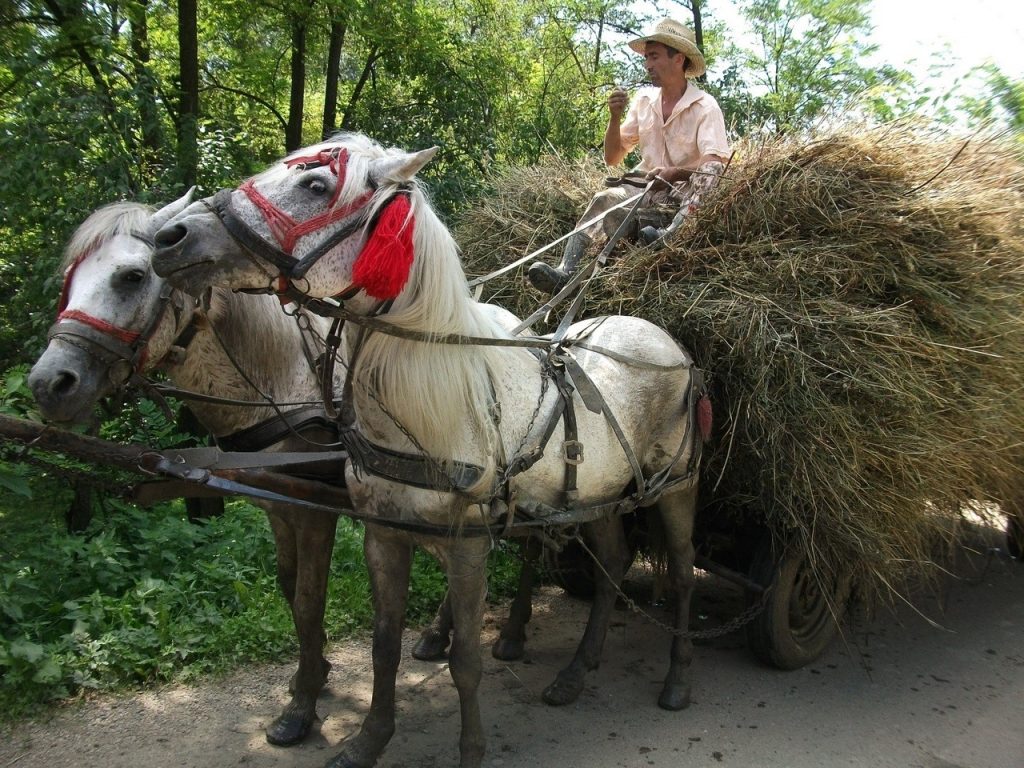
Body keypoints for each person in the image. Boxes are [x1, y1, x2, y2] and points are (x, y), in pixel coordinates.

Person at [528, 18, 731, 294]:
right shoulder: (644, 101)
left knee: (712, 173)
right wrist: (614, 117)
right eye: (646, 57)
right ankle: (566, 270)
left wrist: (676, 172)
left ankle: (671, 235)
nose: (647, 64)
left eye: (654, 56)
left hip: (686, 190)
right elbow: (612, 158)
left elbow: (715, 161)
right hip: (646, 189)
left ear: (678, 58)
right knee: (604, 199)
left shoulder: (704, 106)